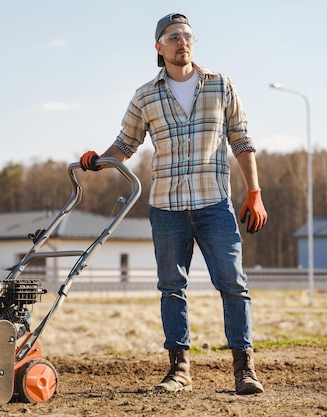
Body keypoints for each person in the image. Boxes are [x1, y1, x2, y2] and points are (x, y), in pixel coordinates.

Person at [79, 13, 266, 395]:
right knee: (171, 287)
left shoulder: (220, 85)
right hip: (167, 207)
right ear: (158, 47)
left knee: (233, 284)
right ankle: (179, 370)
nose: (183, 41)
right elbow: (126, 144)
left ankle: (244, 370)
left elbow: (242, 141)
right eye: (174, 36)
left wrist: (254, 192)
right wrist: (99, 160)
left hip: (215, 204)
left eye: (188, 35)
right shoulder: (146, 95)